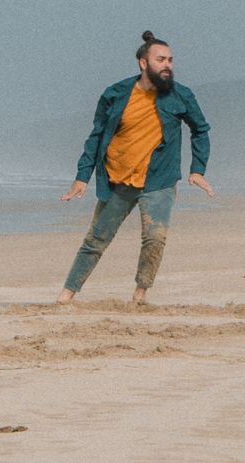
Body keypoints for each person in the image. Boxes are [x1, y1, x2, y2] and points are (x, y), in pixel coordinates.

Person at [58, 31, 214, 304]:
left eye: (171, 60)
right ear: (143, 63)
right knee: (96, 240)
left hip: (159, 180)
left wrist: (197, 169)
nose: (168, 65)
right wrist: (82, 177)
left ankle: (140, 295)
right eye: (161, 59)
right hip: (118, 179)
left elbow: (200, 130)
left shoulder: (181, 95)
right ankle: (66, 295)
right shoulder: (115, 94)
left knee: (155, 238)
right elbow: (96, 136)